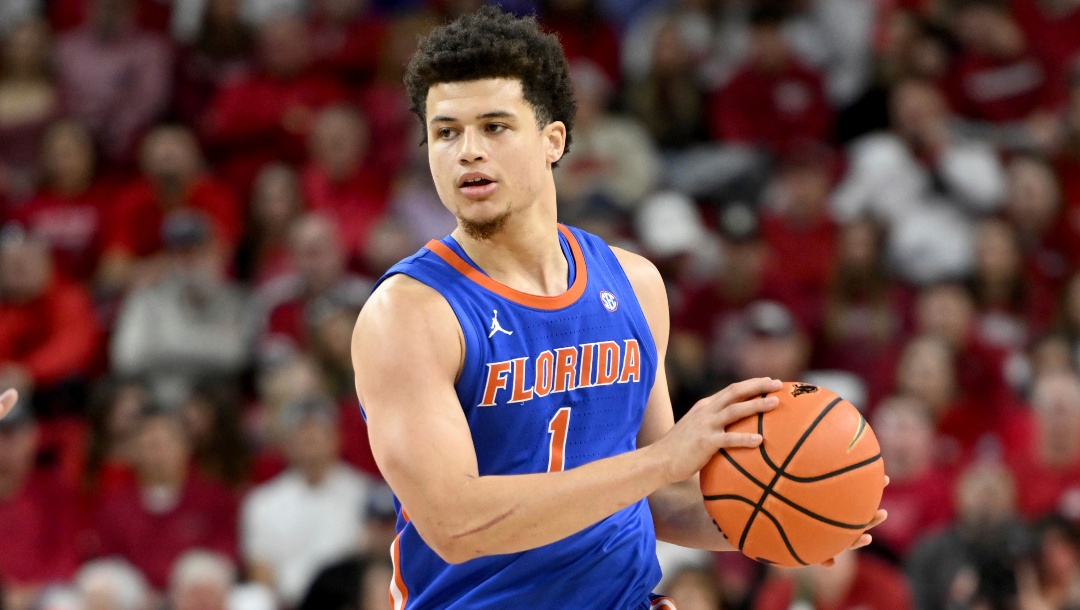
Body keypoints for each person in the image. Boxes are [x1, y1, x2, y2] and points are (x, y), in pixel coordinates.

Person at [350, 7, 885, 609]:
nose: (467, 152)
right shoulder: (410, 313)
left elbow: (655, 499)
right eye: (446, 132)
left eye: (495, 126)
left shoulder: (634, 282)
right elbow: (454, 526)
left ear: (553, 139)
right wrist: (659, 463)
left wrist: (796, 515)